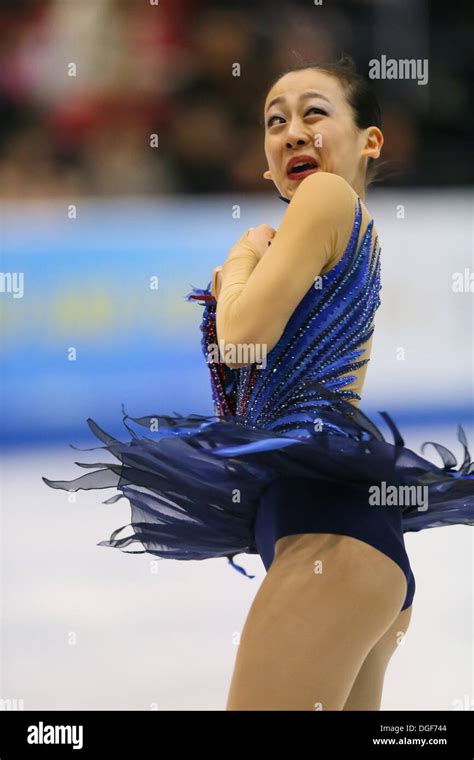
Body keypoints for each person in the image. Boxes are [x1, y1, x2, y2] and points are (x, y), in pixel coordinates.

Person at [42, 55, 474, 711]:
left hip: (330, 539)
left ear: (369, 141)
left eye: (314, 113)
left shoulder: (328, 197)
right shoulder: (341, 232)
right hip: (350, 547)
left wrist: (239, 260)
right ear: (267, 164)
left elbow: (241, 337)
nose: (293, 131)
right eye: (276, 122)